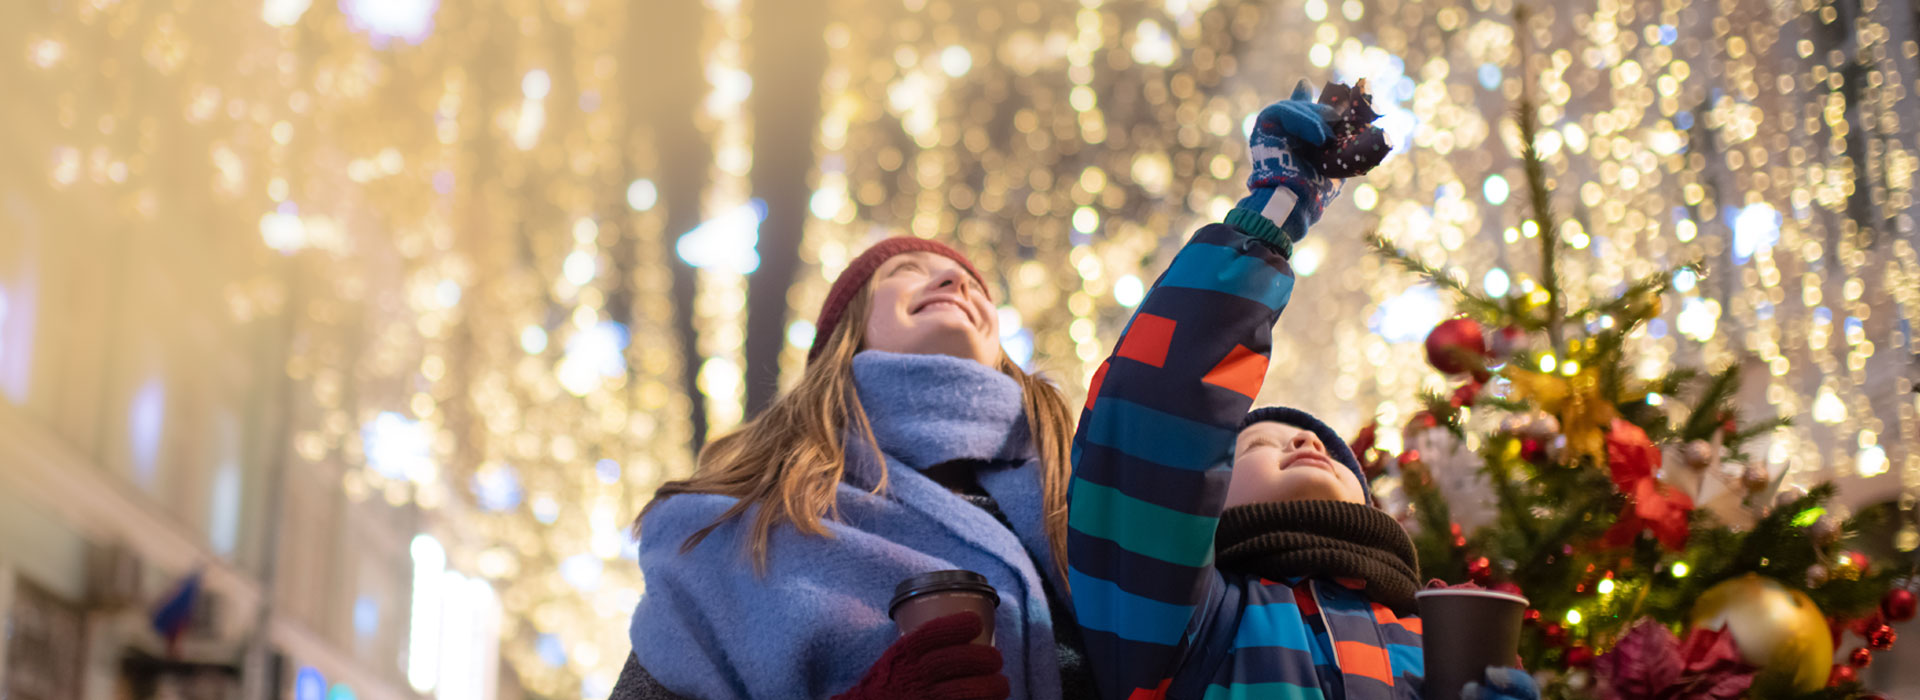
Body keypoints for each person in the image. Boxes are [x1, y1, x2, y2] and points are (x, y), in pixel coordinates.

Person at [1067, 81, 1538, 700]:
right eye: (1258, 441)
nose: (1308, 443)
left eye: (1324, 446)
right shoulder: (1180, 618)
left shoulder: (1427, 643)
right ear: (1203, 488)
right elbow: (1156, 407)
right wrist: (1274, 213)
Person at [619, 236, 1097, 699]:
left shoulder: (1082, 500)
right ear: (846, 332)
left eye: (973, 286)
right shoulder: (735, 534)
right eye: (906, 269)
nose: (956, 279)